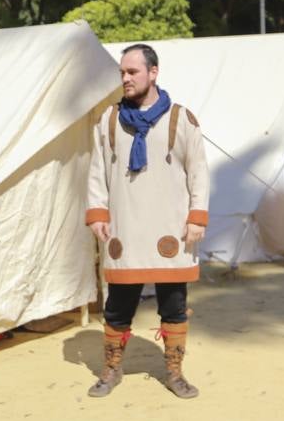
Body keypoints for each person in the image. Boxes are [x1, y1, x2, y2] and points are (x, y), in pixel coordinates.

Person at [85, 43, 210, 400]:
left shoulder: (180, 119)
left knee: (173, 304)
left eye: (132, 72)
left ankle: (174, 372)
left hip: (171, 227)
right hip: (125, 227)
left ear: (153, 73)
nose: (125, 78)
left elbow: (198, 172)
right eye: (122, 72)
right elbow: (96, 172)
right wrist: (97, 213)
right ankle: (111, 369)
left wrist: (197, 216)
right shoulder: (109, 121)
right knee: (118, 306)